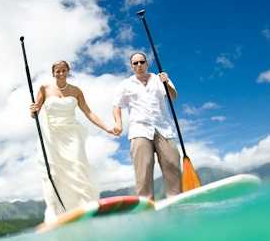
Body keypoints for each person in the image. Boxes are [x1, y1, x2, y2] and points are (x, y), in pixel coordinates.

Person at [30, 60, 114, 221]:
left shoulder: (76, 91)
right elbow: (35, 113)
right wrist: (32, 110)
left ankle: (85, 205)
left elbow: (89, 113)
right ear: (53, 73)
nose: (61, 73)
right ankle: (55, 210)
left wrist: (107, 128)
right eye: (57, 71)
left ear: (68, 71)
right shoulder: (44, 89)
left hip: (72, 134)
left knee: (78, 166)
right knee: (53, 172)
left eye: (63, 70)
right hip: (51, 136)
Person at [112, 52, 181, 201]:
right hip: (139, 130)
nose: (139, 65)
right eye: (135, 63)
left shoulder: (160, 78)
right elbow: (116, 106)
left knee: (172, 164)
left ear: (147, 64)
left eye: (141, 62)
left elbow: (173, 96)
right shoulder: (125, 84)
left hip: (164, 128)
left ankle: (176, 202)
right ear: (131, 66)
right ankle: (147, 206)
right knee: (143, 169)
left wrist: (167, 82)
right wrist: (118, 123)